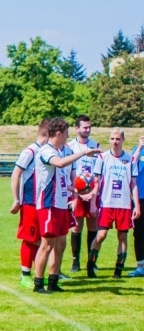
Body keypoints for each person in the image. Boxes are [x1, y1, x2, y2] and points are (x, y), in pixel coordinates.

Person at [33, 117, 100, 293]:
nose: (68, 136)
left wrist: (79, 191)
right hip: (49, 204)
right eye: (66, 133)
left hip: (62, 205)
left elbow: (65, 179)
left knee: (60, 244)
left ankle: (53, 281)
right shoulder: (46, 151)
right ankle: (38, 283)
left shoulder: (63, 150)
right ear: (58, 133)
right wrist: (84, 153)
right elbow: (60, 164)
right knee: (47, 245)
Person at [86, 129, 141, 278]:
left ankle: (118, 271)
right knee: (101, 235)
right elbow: (96, 182)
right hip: (106, 203)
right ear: (109, 140)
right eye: (112, 139)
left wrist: (136, 205)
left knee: (122, 237)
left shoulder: (130, 160)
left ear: (123, 140)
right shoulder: (102, 158)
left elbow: (133, 184)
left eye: (117, 139)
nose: (115, 142)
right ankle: (90, 265)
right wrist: (93, 203)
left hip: (123, 205)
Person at [10, 119, 49, 289]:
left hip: (42, 202)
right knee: (29, 238)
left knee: (41, 239)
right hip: (29, 202)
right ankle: (25, 275)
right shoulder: (31, 151)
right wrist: (17, 199)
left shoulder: (46, 152)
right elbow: (16, 174)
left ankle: (38, 273)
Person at [66, 115, 101, 272]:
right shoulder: (70, 147)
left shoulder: (95, 146)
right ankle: (75, 261)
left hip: (92, 193)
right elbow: (68, 172)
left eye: (89, 127)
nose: (87, 129)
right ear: (77, 128)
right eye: (84, 127)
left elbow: (99, 173)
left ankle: (91, 260)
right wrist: (75, 195)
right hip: (76, 193)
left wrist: (93, 193)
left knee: (93, 225)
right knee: (77, 226)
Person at [127, 136, 144, 277]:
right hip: (140, 198)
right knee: (139, 233)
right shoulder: (138, 150)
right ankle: (140, 266)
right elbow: (131, 164)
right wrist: (139, 147)